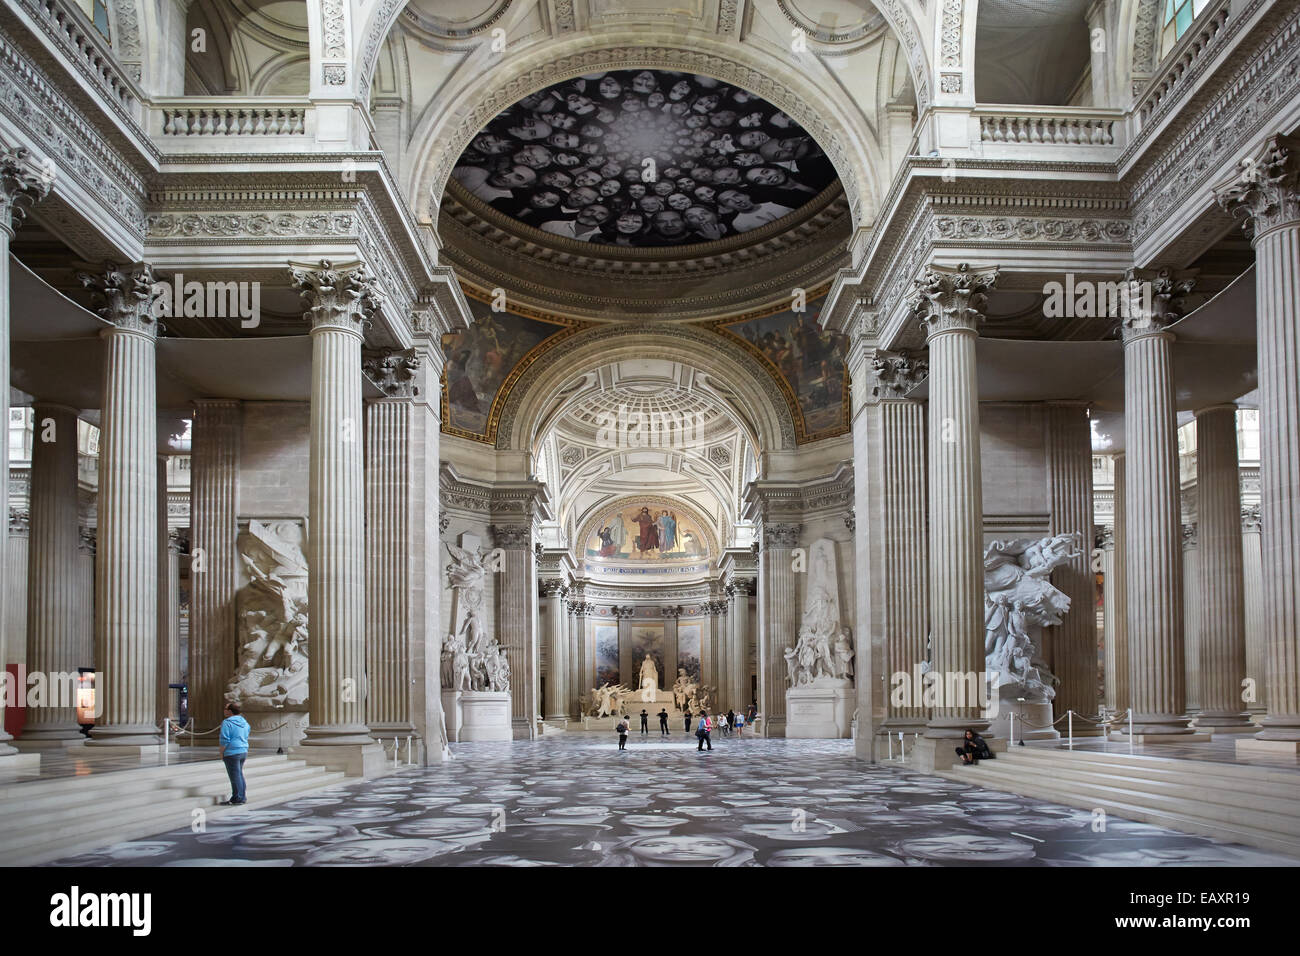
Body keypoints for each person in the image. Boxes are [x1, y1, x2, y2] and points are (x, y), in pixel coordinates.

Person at [219, 701, 250, 805]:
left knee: (235, 776)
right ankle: (242, 796)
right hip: (243, 750)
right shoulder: (245, 722)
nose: (224, 711)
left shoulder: (227, 722)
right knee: (239, 774)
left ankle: (237, 798)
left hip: (232, 751)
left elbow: (224, 739)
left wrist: (221, 752)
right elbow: (246, 735)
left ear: (230, 711)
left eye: (225, 709)